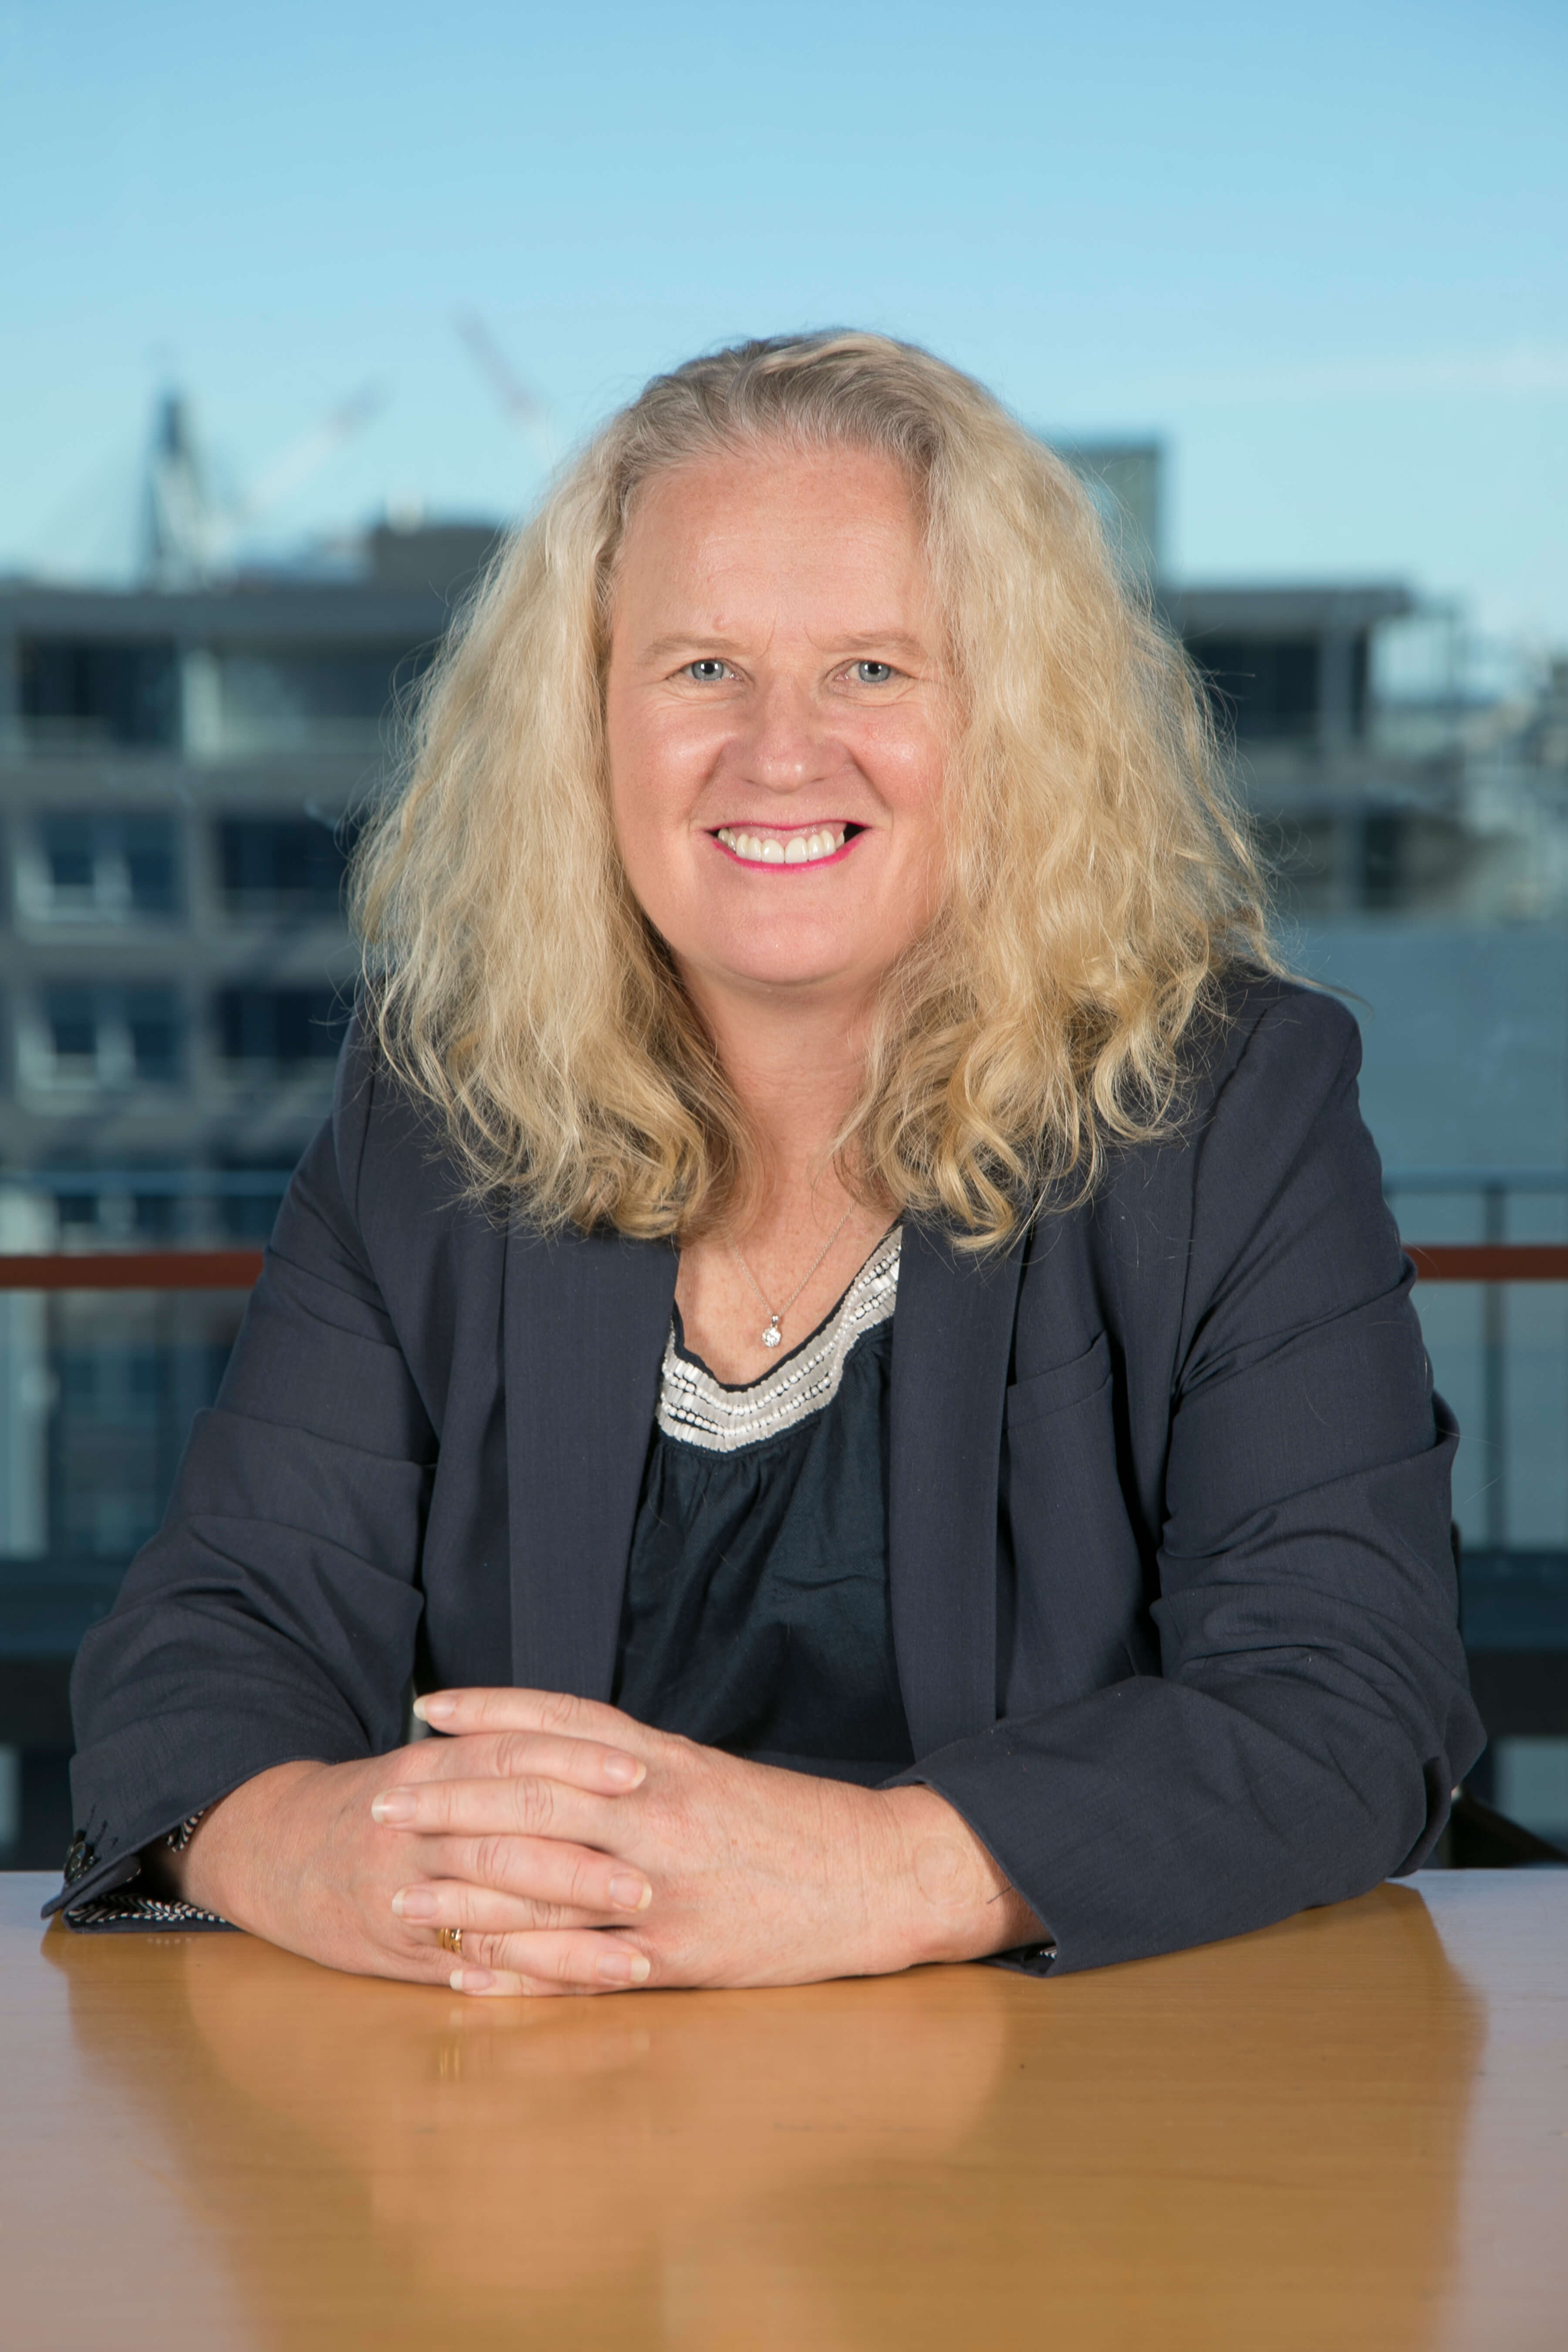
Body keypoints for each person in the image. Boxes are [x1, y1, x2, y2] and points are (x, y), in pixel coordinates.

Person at [50, 332, 1481, 1991]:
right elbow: (214, 1635)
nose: (781, 752)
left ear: (1008, 723)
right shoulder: (432, 1113)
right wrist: (308, 1844)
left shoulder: (1227, 1102)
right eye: (703, 668)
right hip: (548, 2101)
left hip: (1079, 2106)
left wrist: (871, 1872)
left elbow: (1346, 1697)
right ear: (587, 725)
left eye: (872, 668)